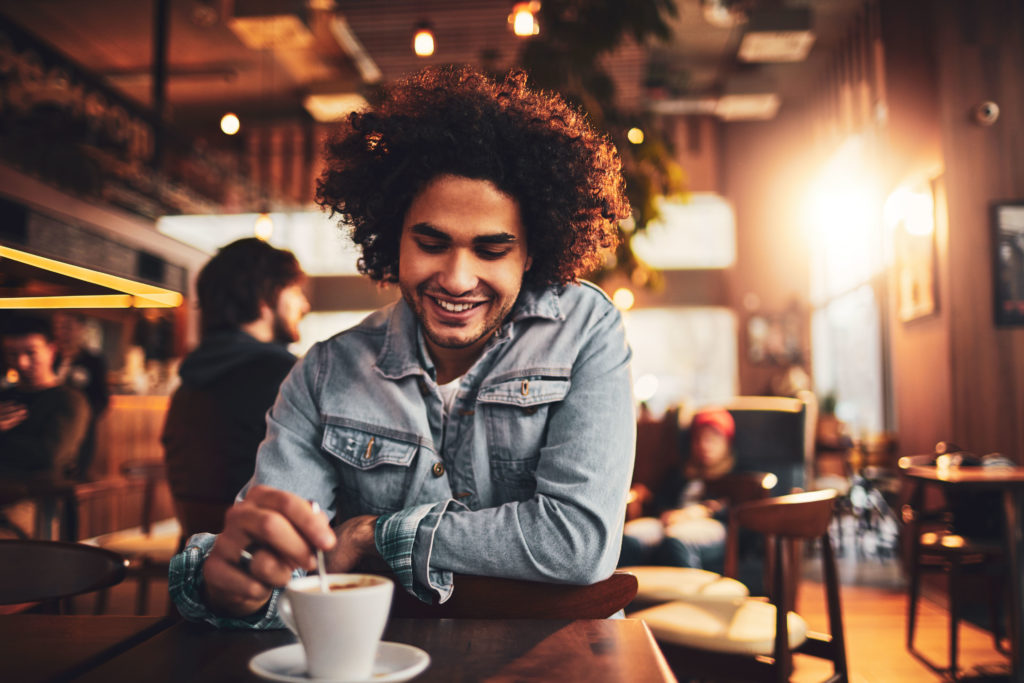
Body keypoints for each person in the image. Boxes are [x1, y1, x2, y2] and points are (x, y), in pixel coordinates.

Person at [169, 65, 635, 627]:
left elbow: (576, 543)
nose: (458, 279)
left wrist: (373, 535)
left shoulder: (584, 327)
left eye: (491, 250)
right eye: (432, 242)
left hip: (557, 661)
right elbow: (281, 573)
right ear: (394, 237)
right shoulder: (325, 372)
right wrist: (238, 586)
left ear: (531, 253)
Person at [162, 238, 310, 541]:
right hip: (269, 566)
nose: (304, 305)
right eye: (294, 291)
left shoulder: (188, 383)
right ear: (264, 298)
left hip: (195, 563)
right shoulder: (290, 378)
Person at [619, 407, 736, 572]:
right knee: (630, 535)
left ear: (726, 442)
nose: (705, 445)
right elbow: (660, 500)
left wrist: (704, 511)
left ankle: (689, 595)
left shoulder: (737, 474)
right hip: (671, 520)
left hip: (709, 524)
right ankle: (624, 593)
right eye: (700, 439)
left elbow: (739, 510)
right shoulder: (680, 472)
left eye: (712, 439)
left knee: (676, 539)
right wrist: (667, 512)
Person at [0, 314, 91, 478]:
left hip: (43, 495)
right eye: (12, 354)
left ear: (51, 350)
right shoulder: (5, 396)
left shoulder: (69, 400)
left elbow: (48, 457)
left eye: (31, 353)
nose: (22, 362)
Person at [52, 312, 110, 480]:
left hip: (82, 429)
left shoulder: (92, 361)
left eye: (67, 327)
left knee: (76, 476)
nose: (62, 332)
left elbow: (102, 398)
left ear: (81, 329)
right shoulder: (50, 358)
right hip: (51, 425)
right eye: (58, 327)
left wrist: (84, 418)